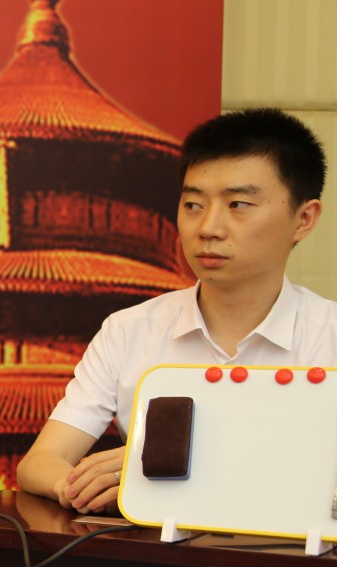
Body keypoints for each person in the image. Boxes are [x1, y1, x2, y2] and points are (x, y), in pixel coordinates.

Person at [18, 108, 333, 513]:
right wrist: (78, 488)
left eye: (238, 204)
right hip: (155, 551)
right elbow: (38, 463)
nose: (208, 228)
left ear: (304, 219)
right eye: (193, 205)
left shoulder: (328, 335)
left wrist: (161, 469)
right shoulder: (128, 331)